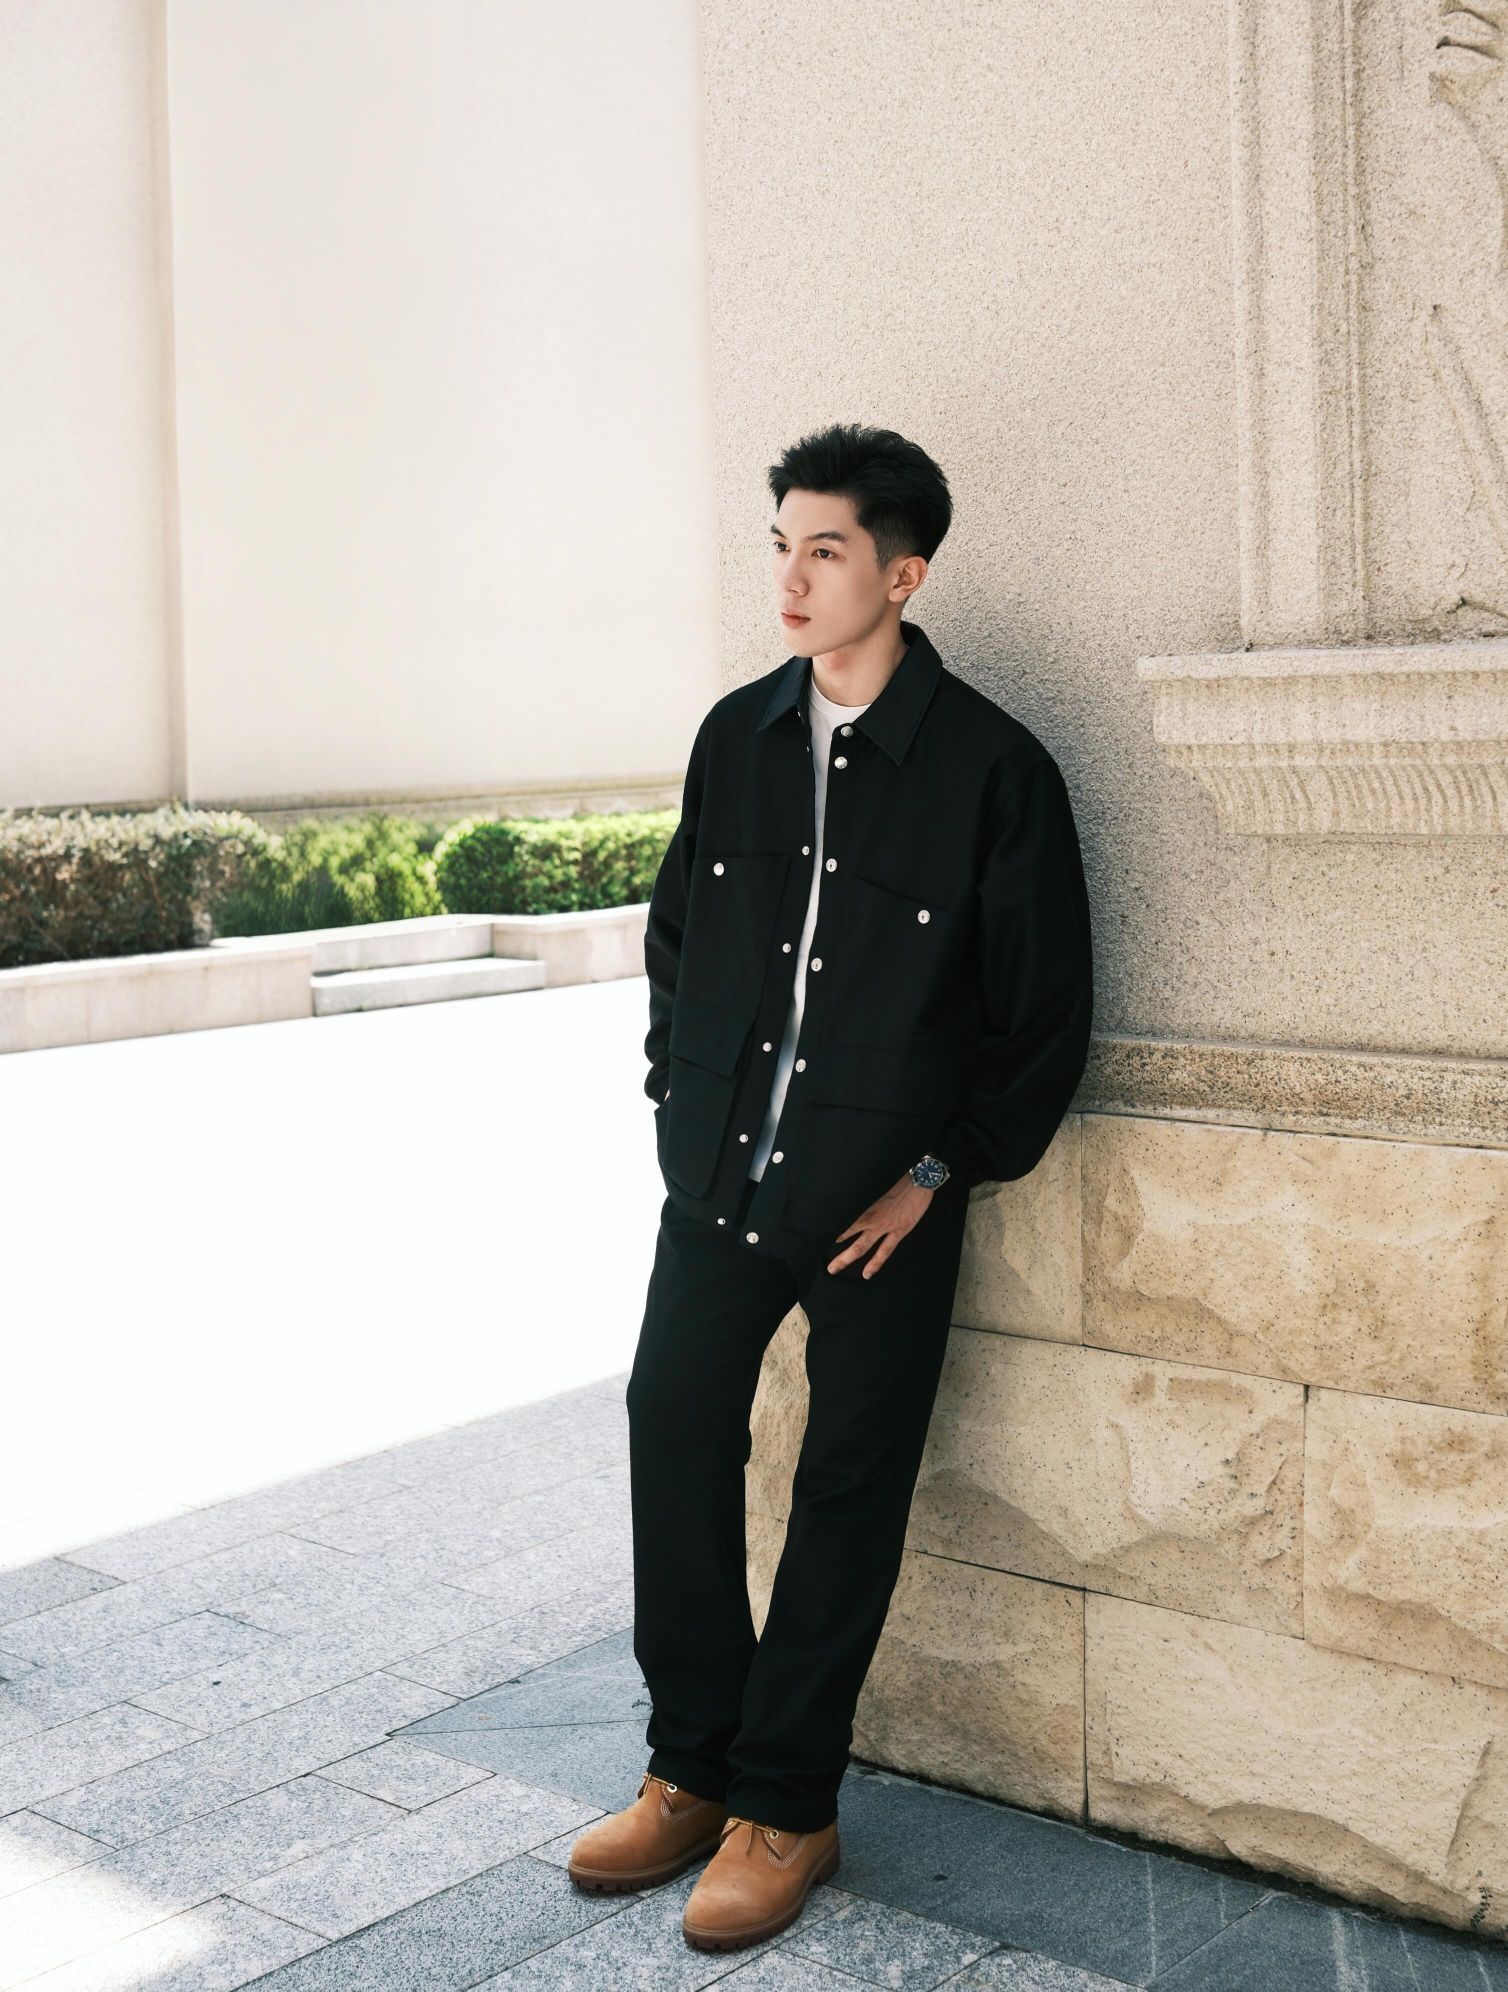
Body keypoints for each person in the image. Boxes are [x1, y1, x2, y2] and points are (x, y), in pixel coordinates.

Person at [568, 421, 1095, 1952]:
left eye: (825, 551)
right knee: (671, 1429)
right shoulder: (734, 737)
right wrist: (679, 1105)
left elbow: (1043, 1015)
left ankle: (787, 1806)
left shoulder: (993, 770)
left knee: (846, 1493)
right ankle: (690, 1769)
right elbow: (680, 940)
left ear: (903, 574)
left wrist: (939, 1172)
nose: (790, 581)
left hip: (883, 1212)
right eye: (781, 547)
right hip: (720, 1183)